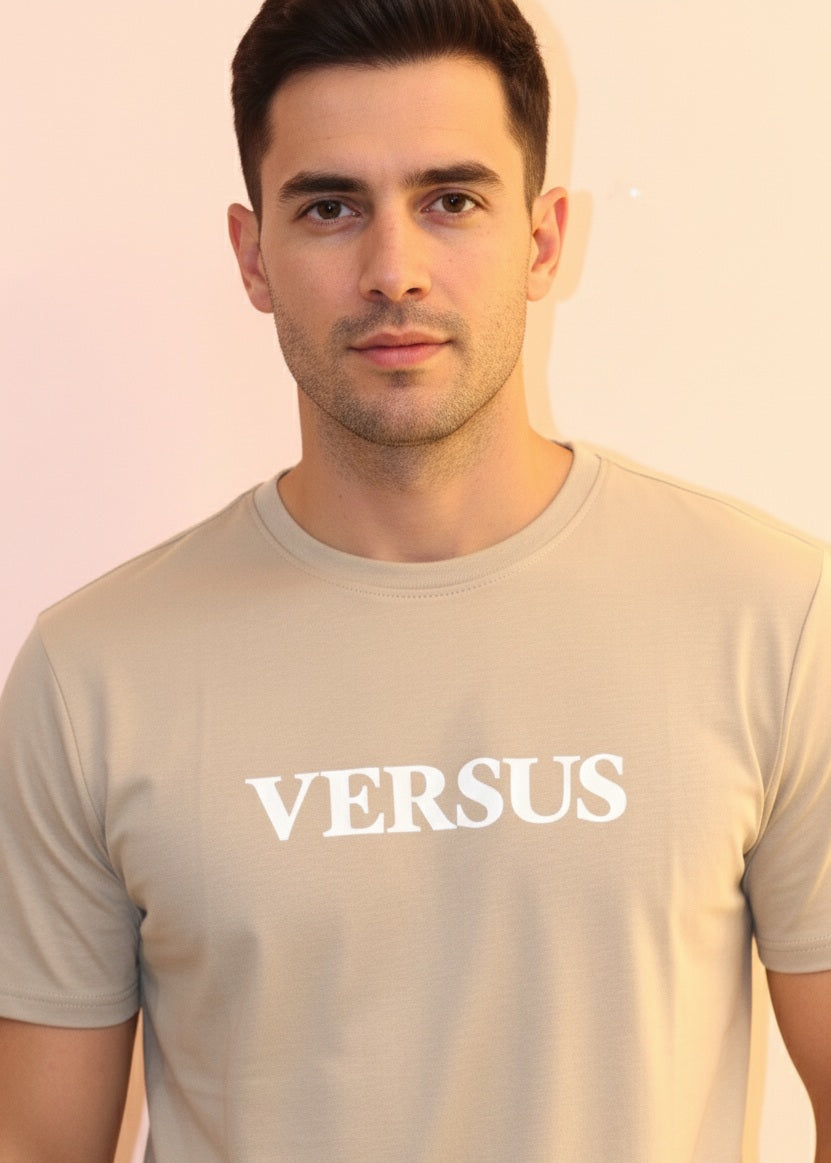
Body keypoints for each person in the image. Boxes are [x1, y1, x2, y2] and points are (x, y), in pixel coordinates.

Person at [0, 0, 829, 1158]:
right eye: (330, 207)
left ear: (542, 239)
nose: (393, 270)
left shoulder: (774, 618)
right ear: (253, 255)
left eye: (451, 201)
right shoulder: (93, 673)